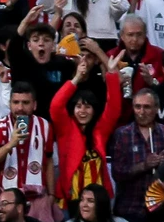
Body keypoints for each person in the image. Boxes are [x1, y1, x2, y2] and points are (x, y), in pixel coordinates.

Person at [50, 53, 124, 206]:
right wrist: (76, 78)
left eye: (87, 106)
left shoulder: (100, 130)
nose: (82, 111)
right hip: (69, 200)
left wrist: (111, 74)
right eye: (78, 106)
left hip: (99, 202)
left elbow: (114, 108)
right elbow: (56, 106)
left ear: (94, 110)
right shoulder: (65, 128)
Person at [0, 83, 54, 213]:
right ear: (10, 104)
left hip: (37, 198)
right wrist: (11, 143)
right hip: (5, 199)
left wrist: (51, 195)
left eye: (25, 103)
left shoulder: (45, 126)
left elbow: (49, 160)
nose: (20, 108)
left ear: (34, 105)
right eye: (16, 102)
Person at [110, 89, 164, 222]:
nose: (141, 112)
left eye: (147, 107)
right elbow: (117, 173)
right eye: (138, 107)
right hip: (130, 209)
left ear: (156, 109)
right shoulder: (122, 134)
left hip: (160, 209)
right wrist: (144, 165)